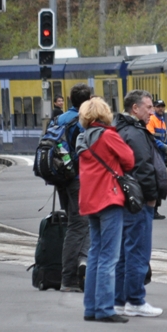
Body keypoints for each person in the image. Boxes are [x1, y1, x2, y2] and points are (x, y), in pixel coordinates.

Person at [76, 97, 136, 323]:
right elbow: (129, 160)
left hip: (89, 200)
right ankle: (104, 308)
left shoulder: (82, 138)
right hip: (108, 199)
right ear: (105, 115)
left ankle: (90, 307)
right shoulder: (109, 136)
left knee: (95, 253)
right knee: (110, 257)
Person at [113, 89, 167, 317]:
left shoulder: (122, 129)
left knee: (125, 252)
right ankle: (135, 300)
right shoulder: (135, 134)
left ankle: (119, 299)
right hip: (139, 201)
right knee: (138, 251)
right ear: (135, 108)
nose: (151, 111)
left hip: (125, 199)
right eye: (147, 107)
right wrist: (152, 197)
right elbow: (143, 168)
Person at [54, 84, 92, 292]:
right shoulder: (80, 122)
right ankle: (68, 279)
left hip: (61, 177)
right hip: (76, 178)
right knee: (78, 225)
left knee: (73, 223)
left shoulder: (60, 118)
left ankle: (76, 268)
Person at [146, 100, 167, 220]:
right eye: (158, 106)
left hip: (160, 155)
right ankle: (153, 210)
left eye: (162, 106)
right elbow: (152, 138)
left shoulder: (162, 120)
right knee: (156, 182)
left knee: (159, 182)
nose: (161, 109)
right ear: (154, 108)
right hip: (156, 154)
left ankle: (155, 210)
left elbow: (164, 137)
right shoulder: (152, 120)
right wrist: (164, 147)